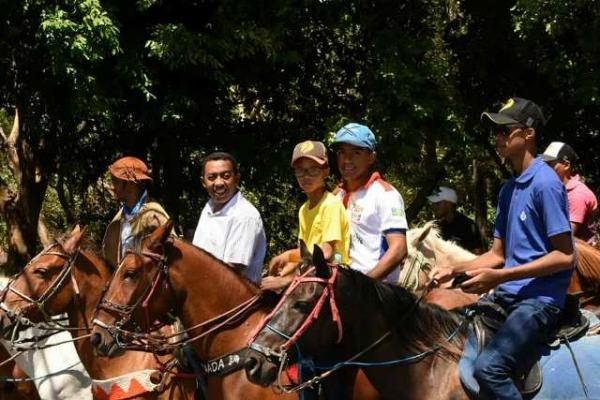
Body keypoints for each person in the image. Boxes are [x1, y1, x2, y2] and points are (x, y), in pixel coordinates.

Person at [432, 97, 575, 400]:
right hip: (508, 296)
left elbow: (565, 256)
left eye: (505, 131)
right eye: (496, 132)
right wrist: (453, 269)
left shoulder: (546, 183)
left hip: (539, 300)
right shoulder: (508, 190)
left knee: (490, 369)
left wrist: (499, 278)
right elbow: (497, 255)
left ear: (529, 134)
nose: (497, 138)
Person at [262, 140, 350, 291]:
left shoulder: (331, 204)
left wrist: (287, 280)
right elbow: (305, 254)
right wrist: (285, 258)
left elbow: (326, 253)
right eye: (300, 171)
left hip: (333, 274)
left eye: (313, 170)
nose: (306, 176)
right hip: (312, 272)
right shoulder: (304, 209)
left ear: (326, 171)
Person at [333, 122, 408, 283]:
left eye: (356, 152)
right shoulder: (337, 195)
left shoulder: (386, 195)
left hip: (378, 292)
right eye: (341, 152)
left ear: (371, 157)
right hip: (343, 286)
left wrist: (365, 285)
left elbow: (399, 249)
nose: (347, 159)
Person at [192, 152, 267, 284]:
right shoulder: (208, 208)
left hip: (235, 299)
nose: (219, 183)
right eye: (211, 177)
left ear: (237, 178)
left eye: (226, 176)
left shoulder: (245, 215)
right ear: (203, 182)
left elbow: (231, 271)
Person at [102, 156, 170, 268]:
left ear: (130, 184)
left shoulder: (154, 214)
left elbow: (171, 255)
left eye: (115, 181)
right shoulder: (119, 217)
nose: (112, 186)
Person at [542, 141, 598, 245]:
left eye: (550, 164)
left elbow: (565, 237)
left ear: (566, 165)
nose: (545, 169)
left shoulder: (578, 194)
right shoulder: (555, 189)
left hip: (579, 256)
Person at [427, 186, 484, 254]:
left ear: (449, 204)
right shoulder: (438, 226)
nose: (433, 206)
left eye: (437, 203)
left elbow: (478, 255)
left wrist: (460, 250)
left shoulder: (468, 226)